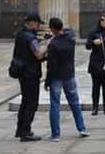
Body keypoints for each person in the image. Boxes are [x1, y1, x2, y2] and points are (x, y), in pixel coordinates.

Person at [44, 17, 89, 142]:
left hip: (56, 77)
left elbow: (51, 65)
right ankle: (82, 128)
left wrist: (47, 81)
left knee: (55, 105)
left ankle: (56, 134)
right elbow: (68, 31)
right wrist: (55, 35)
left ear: (52, 28)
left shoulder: (53, 45)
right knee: (74, 102)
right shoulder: (70, 39)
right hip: (69, 75)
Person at [14, 13, 49, 142]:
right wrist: (47, 42)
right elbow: (39, 54)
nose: (39, 26)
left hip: (22, 72)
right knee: (31, 103)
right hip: (30, 74)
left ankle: (20, 129)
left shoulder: (21, 34)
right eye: (38, 23)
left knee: (25, 101)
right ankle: (26, 132)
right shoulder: (30, 37)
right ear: (32, 23)